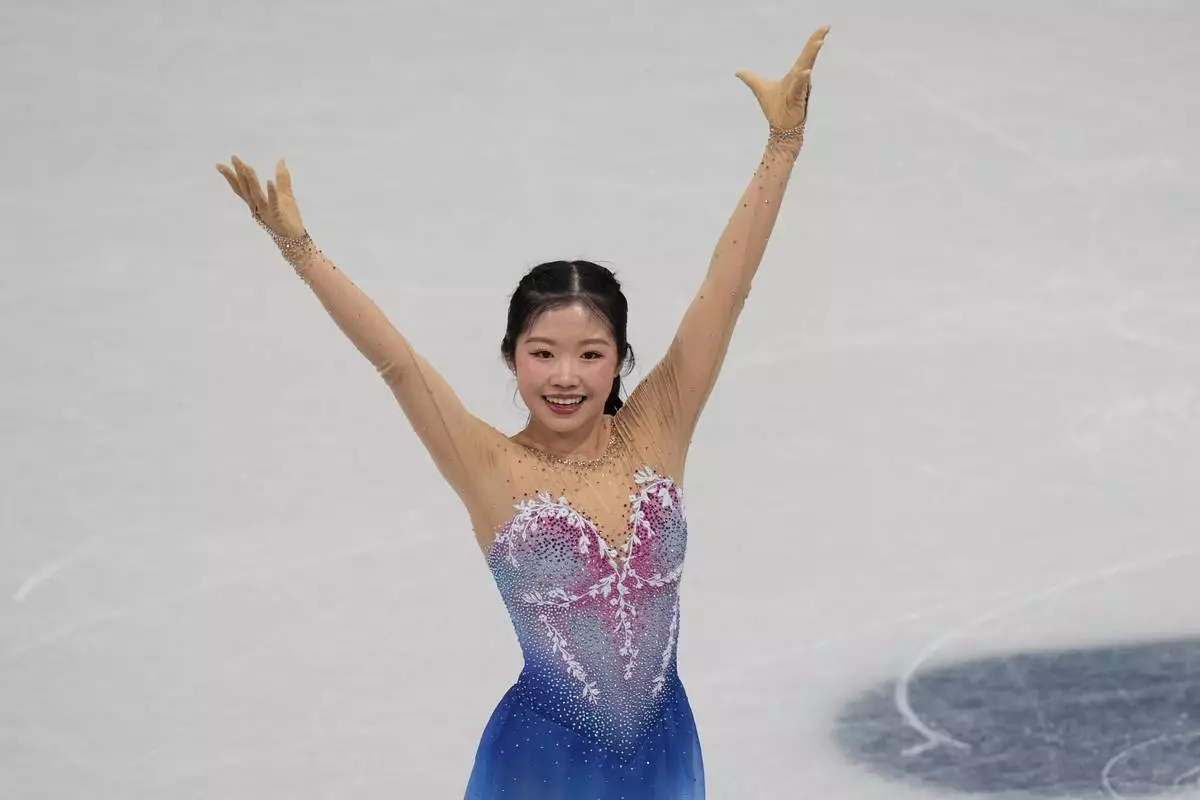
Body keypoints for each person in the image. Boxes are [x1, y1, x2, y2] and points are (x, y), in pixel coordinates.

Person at [216, 24, 828, 799]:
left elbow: (727, 288)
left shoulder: (660, 425)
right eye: (543, 353)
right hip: (540, 770)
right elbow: (398, 365)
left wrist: (783, 143)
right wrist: (300, 250)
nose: (565, 376)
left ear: (620, 361)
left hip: (664, 759)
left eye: (590, 354)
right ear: (513, 358)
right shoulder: (490, 466)